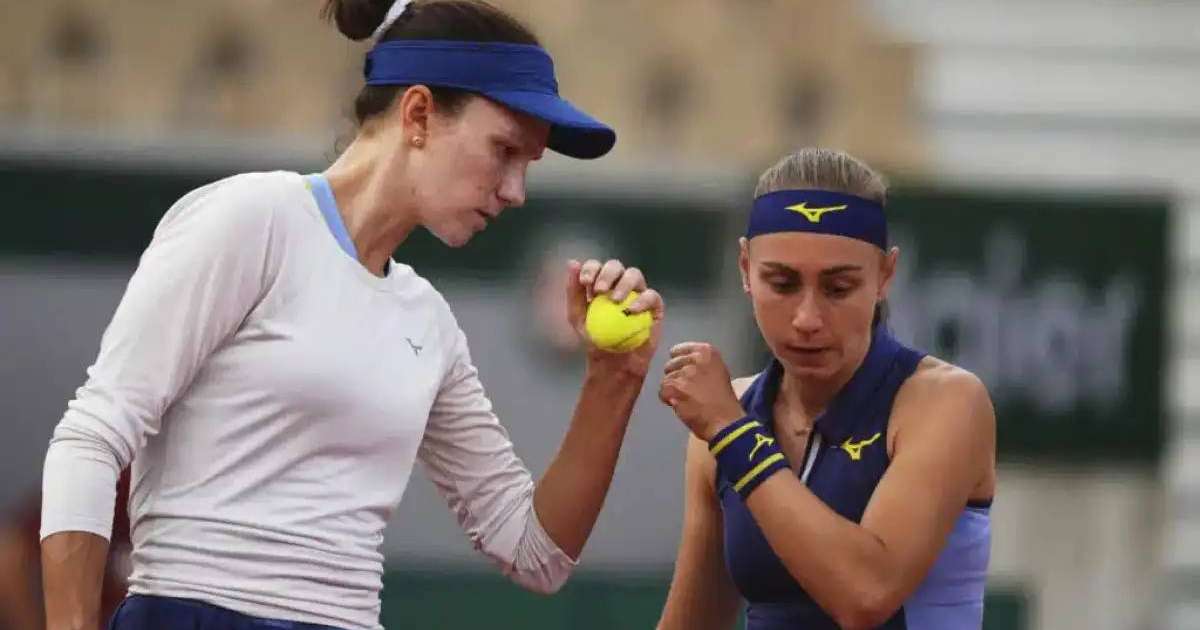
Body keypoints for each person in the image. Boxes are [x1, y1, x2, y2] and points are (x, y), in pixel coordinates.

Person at [39, 1, 664, 629]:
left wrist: (613, 379)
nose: (515, 191)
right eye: (503, 150)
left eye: (527, 165)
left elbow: (536, 553)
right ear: (418, 113)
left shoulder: (429, 322)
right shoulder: (253, 220)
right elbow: (92, 437)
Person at [656, 148, 996, 630]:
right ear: (744, 268)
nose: (807, 319)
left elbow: (866, 594)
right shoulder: (726, 419)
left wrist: (733, 434)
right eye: (782, 283)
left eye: (838, 288)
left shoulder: (947, 402)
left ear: (885, 276)